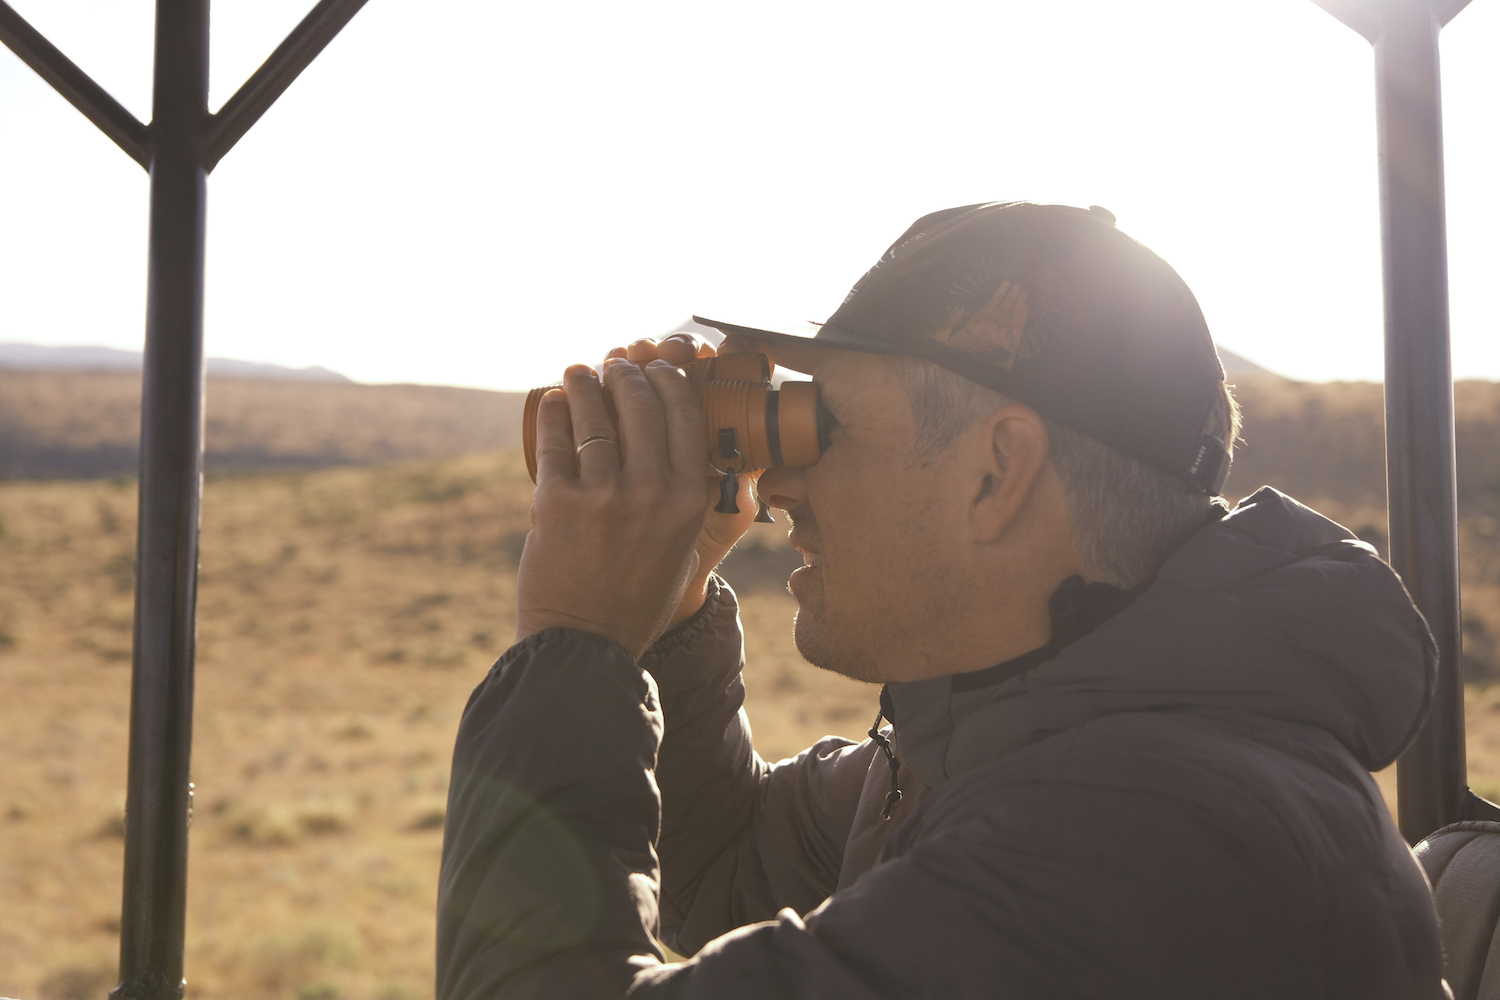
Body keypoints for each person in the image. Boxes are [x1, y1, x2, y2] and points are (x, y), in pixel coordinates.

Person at [436, 202, 1447, 998]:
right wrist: (669, 601)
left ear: (996, 472)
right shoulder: (1030, 728)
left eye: (825, 425)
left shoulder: (1140, 839)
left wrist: (576, 639)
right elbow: (724, 870)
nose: (778, 486)